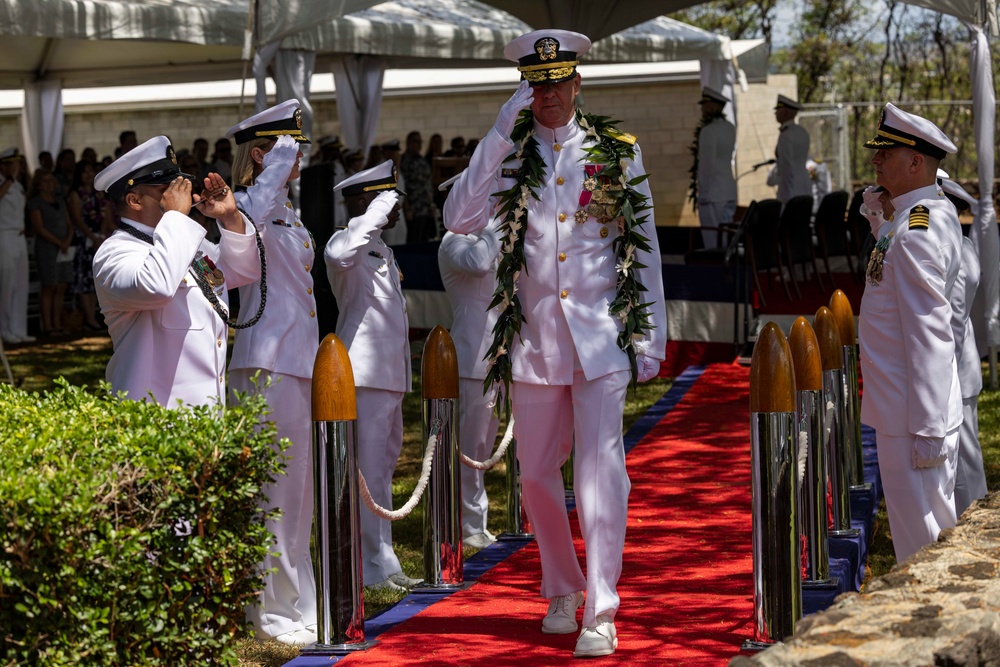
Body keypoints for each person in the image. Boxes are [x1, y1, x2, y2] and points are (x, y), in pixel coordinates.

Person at [443, 29, 667, 658]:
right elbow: (458, 218)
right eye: (535, 84)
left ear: (577, 83)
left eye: (557, 81)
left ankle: (601, 605)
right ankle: (562, 585)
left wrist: (649, 333)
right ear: (525, 89)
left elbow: (644, 251)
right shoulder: (508, 155)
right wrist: (495, 132)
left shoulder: (616, 152)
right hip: (534, 340)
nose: (548, 94)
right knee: (537, 473)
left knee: (601, 473)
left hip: (599, 337)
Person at [224, 100, 320, 647]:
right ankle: (271, 610)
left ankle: (297, 597)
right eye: (289, 147)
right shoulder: (245, 206)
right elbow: (245, 227)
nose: (299, 155)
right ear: (263, 155)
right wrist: (273, 166)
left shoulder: (284, 209)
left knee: (298, 488)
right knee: (275, 490)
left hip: (297, 359)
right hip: (266, 361)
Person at [859, 103, 962, 563]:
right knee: (927, 539)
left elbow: (929, 334)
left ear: (916, 162)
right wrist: (878, 221)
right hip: (907, 409)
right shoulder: (915, 216)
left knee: (922, 551)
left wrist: (927, 428)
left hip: (912, 416)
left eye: (887, 153)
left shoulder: (917, 228)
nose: (876, 161)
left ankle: (939, 632)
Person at [93, 135, 260, 407]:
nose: (180, 194)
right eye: (167, 189)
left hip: (204, 415)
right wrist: (177, 219)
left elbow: (242, 271)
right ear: (135, 200)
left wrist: (229, 217)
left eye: (180, 185)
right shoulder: (114, 252)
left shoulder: (184, 240)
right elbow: (156, 286)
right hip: (156, 419)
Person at [323, 160, 422, 592]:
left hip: (386, 375)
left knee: (381, 468)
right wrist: (375, 211)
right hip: (362, 376)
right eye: (386, 198)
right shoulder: (346, 244)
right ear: (365, 201)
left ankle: (382, 562)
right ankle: (371, 566)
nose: (394, 208)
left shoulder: (381, 248)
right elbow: (342, 253)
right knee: (368, 473)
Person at [437, 178, 501, 549]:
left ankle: (479, 519)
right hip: (472, 356)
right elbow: (477, 264)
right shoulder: (454, 240)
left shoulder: (488, 239)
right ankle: (469, 523)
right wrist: (500, 221)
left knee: (487, 443)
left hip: (500, 353)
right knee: (471, 447)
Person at [936, 173, 987, 515]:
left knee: (966, 464)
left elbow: (953, 319)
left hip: (955, 367)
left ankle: (977, 526)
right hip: (955, 366)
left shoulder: (959, 248)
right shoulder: (960, 245)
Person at [67, 160, 116, 331]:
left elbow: (105, 216)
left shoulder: (99, 194)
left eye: (90, 171)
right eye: (84, 171)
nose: (88, 174)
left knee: (96, 280)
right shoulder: (75, 194)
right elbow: (77, 219)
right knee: (84, 281)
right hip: (84, 240)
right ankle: (88, 318)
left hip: (99, 238)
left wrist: (101, 236)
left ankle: (95, 316)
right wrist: (92, 237)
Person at [26, 168, 74, 336]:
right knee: (49, 286)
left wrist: (67, 240)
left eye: (52, 181)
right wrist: (58, 242)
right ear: (38, 185)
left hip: (64, 248)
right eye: (46, 181)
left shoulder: (60, 200)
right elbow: (39, 228)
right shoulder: (35, 203)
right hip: (47, 248)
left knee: (61, 286)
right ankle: (47, 326)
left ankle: (57, 323)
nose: (50, 184)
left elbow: (69, 223)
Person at [694, 86, 737, 250]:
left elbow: (707, 166)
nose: (702, 108)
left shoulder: (708, 131)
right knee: (726, 239)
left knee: (713, 242)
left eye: (705, 104)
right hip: (728, 190)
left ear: (713, 106)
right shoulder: (729, 128)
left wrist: (703, 193)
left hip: (713, 193)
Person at [0, 148, 35, 344]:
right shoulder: (7, 182)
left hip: (19, 236)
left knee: (21, 284)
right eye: (12, 163)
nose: (17, 167)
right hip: (4, 236)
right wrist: (10, 180)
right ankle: (5, 329)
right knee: (7, 284)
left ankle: (18, 328)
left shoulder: (17, 184)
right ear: (3, 165)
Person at [766, 95, 811, 206]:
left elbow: (786, 168)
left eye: (777, 110)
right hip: (804, 187)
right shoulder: (802, 131)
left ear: (784, 112)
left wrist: (783, 192)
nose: (775, 113)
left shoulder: (785, 135)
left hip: (790, 191)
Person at [401, 131, 436, 244]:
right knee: (414, 241)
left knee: (425, 240)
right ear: (409, 143)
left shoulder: (421, 159)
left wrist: (431, 204)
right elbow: (402, 186)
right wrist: (407, 208)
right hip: (414, 208)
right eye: (416, 141)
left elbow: (427, 183)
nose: (419, 144)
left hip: (425, 207)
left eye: (420, 141)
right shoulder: (404, 161)